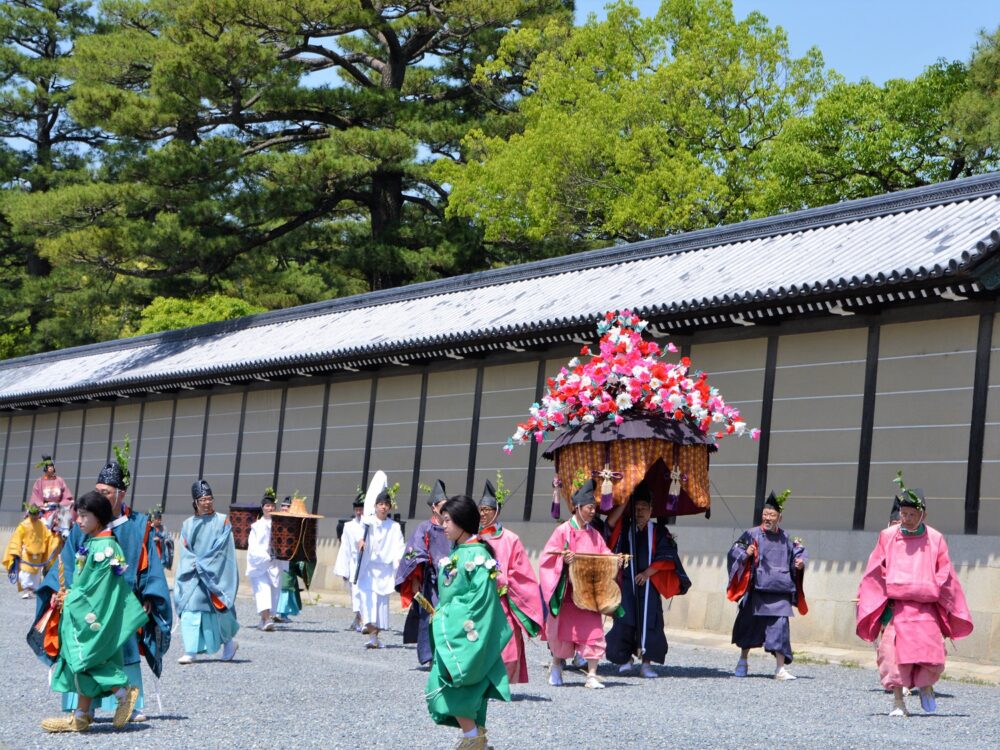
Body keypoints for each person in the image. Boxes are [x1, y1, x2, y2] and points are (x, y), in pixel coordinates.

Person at [33, 445, 172, 723]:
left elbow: (148, 563)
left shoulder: (138, 524)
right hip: (84, 603)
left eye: (107, 492)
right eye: (98, 491)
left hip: (119, 601)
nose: (101, 496)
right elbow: (67, 561)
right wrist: (66, 592)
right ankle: (83, 709)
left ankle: (132, 704)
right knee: (81, 649)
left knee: (124, 647)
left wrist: (148, 594)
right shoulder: (83, 525)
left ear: (122, 493)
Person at [856, 476, 973, 716]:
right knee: (891, 654)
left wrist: (929, 587)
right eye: (903, 514)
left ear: (923, 515)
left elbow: (945, 571)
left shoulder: (936, 538)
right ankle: (898, 702)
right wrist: (887, 586)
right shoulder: (888, 536)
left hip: (925, 607)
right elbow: (876, 568)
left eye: (911, 514)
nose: (906, 519)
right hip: (897, 607)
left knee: (930, 655)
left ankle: (926, 685)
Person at [39, 491, 147, 733]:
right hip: (85, 612)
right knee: (79, 658)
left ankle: (122, 692)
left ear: (99, 517)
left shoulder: (106, 547)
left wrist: (71, 598)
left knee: (84, 656)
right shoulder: (93, 542)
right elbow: (84, 584)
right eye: (79, 515)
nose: (78, 520)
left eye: (84, 516)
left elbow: (97, 591)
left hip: (95, 616)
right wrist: (65, 595)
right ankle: (81, 715)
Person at [425, 495, 511, 750]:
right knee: (452, 687)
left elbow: (479, 602)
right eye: (443, 520)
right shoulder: (461, 552)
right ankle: (474, 736)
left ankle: (474, 737)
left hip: (464, 635)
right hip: (452, 631)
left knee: (453, 686)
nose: (443, 525)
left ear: (463, 522)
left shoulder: (477, 555)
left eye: (448, 520)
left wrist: (446, 615)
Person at [605, 482, 691, 677]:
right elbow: (609, 527)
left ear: (651, 510)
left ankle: (646, 663)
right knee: (624, 619)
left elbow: (668, 555)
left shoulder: (658, 531)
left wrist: (648, 573)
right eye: (636, 508)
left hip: (650, 584)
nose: (640, 512)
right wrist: (625, 498)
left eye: (644, 508)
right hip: (626, 583)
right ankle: (625, 658)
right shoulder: (625, 527)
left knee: (650, 622)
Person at [539, 479, 618, 689]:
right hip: (567, 594)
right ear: (577, 507)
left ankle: (592, 674)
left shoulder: (594, 534)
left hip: (588, 593)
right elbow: (547, 556)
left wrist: (614, 559)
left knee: (593, 632)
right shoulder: (563, 531)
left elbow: (604, 553)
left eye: (594, 508)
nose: (593, 512)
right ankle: (556, 665)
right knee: (564, 632)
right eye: (589, 508)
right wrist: (562, 561)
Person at [727, 490, 807, 680]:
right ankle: (743, 661)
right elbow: (733, 552)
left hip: (780, 590)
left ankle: (779, 669)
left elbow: (797, 555)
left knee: (780, 629)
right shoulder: (751, 534)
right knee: (748, 627)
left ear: (780, 518)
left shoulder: (786, 538)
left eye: (771, 515)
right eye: (765, 515)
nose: (767, 518)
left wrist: (800, 563)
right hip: (757, 589)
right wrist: (746, 552)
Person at [477, 480, 543, 684]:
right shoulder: (473, 538)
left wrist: (502, 580)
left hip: (504, 600)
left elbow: (522, 572)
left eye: (487, 509)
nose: (483, 514)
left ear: (496, 511)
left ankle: (502, 682)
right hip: (480, 601)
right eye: (480, 510)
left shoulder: (510, 539)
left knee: (508, 644)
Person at [174, 480, 240, 664]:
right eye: (203, 499)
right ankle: (190, 651)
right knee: (190, 607)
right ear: (195, 502)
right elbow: (185, 549)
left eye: (209, 498)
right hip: (194, 574)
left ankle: (229, 643)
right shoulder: (187, 524)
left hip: (216, 575)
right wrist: (195, 564)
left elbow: (223, 549)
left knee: (220, 608)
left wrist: (206, 564)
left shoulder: (222, 520)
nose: (207, 502)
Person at [396, 479, 452, 665]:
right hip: (430, 581)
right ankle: (430, 656)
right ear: (434, 507)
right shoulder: (424, 528)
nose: (445, 510)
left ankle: (447, 655)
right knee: (429, 616)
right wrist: (415, 578)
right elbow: (414, 552)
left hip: (451, 580)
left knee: (450, 616)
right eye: (443, 506)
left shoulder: (452, 527)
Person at [354, 486, 405, 648]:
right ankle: (371, 635)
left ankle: (375, 638)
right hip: (368, 570)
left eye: (386, 504)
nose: (383, 507)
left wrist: (398, 563)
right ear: (375, 506)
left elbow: (399, 546)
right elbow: (358, 539)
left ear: (389, 507)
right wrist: (360, 543)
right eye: (380, 504)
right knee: (367, 602)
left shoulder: (394, 526)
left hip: (384, 571)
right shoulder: (367, 522)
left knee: (380, 606)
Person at [246, 490, 287, 631]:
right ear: (262, 507)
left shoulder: (280, 525)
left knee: (273, 593)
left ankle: (264, 620)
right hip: (260, 563)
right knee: (263, 590)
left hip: (275, 564)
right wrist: (264, 556)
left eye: (271, 506)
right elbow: (253, 546)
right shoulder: (256, 526)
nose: (269, 508)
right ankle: (266, 619)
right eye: (267, 506)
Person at [5, 503, 61, 598]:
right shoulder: (23, 525)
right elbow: (16, 539)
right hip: (26, 554)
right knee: (25, 573)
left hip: (38, 554)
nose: (35, 517)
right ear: (29, 513)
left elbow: (47, 537)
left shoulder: (41, 525)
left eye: (36, 514)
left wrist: (56, 538)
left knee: (35, 575)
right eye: (33, 514)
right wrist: (15, 551)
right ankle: (26, 590)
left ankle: (33, 590)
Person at [333, 491, 366, 631]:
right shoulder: (348, 526)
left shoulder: (369, 525)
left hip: (366, 563)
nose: (359, 512)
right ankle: (361, 619)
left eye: (361, 509)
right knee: (355, 592)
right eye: (357, 509)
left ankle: (362, 620)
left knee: (364, 592)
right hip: (353, 563)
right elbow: (345, 548)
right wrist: (343, 569)